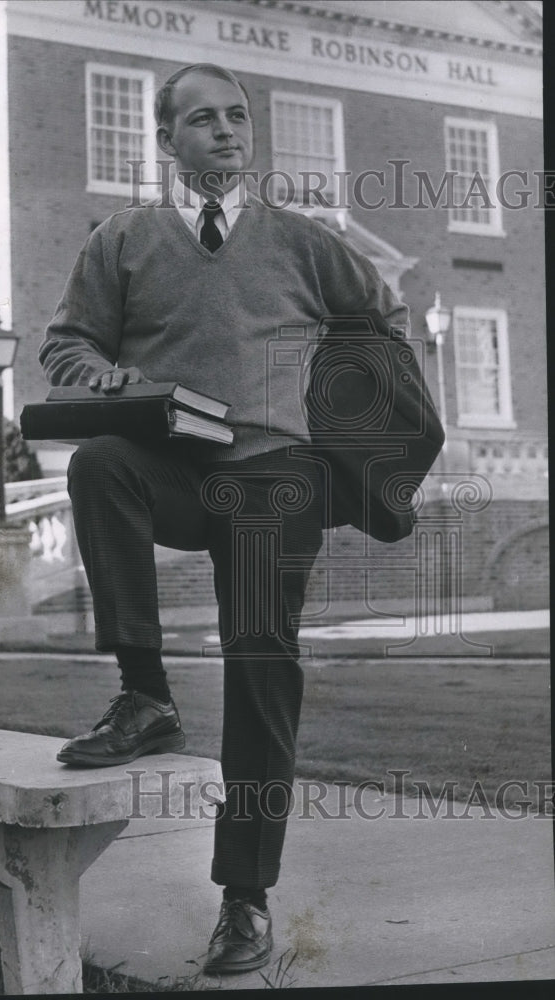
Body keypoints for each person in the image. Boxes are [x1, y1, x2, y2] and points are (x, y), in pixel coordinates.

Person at [39, 63, 409, 975]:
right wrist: (106, 375)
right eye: (202, 120)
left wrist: (337, 420)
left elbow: (384, 326)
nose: (226, 132)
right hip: (170, 464)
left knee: (260, 656)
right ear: (166, 141)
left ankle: (245, 898)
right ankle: (145, 694)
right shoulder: (121, 238)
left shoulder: (305, 240)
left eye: (238, 118)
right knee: (98, 466)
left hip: (275, 476)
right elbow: (65, 343)